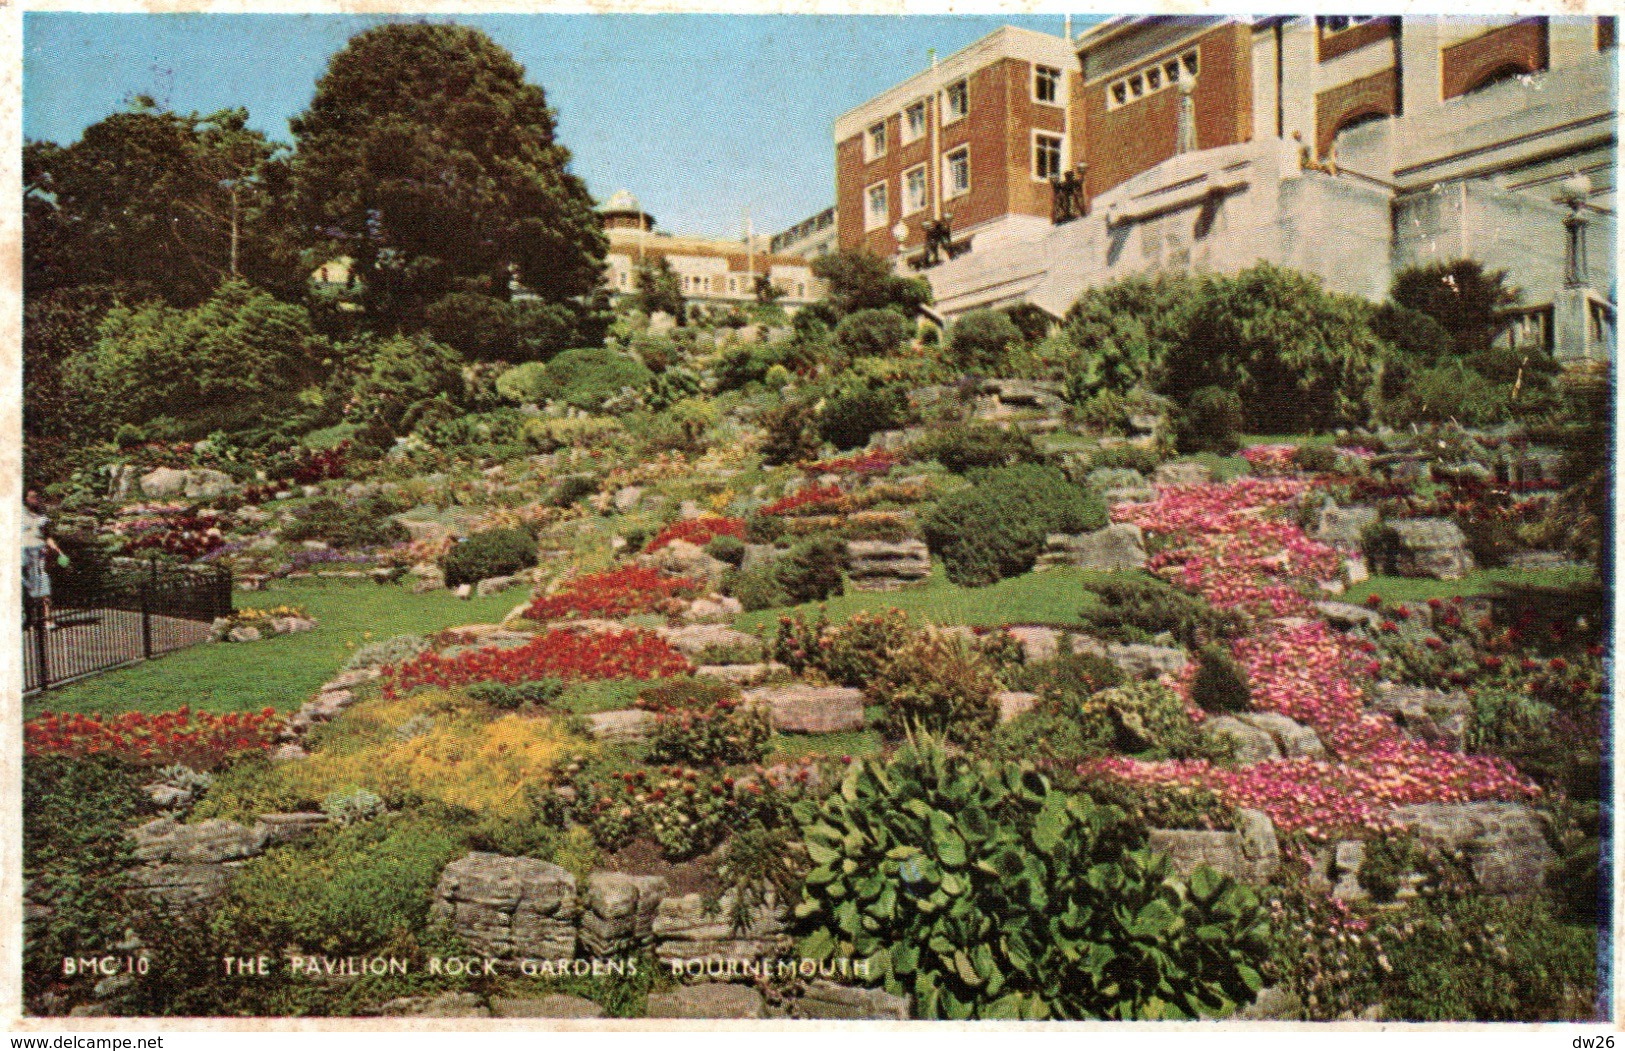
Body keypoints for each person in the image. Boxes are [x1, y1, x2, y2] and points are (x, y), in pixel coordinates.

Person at [22, 491, 64, 630]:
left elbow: (47, 536)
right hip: (23, 554)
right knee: (26, 588)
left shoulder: (42, 516)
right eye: (33, 497)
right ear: (25, 498)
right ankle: (30, 620)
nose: (36, 499)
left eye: (38, 496)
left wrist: (58, 551)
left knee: (44, 585)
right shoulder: (17, 514)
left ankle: (47, 619)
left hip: (40, 554)